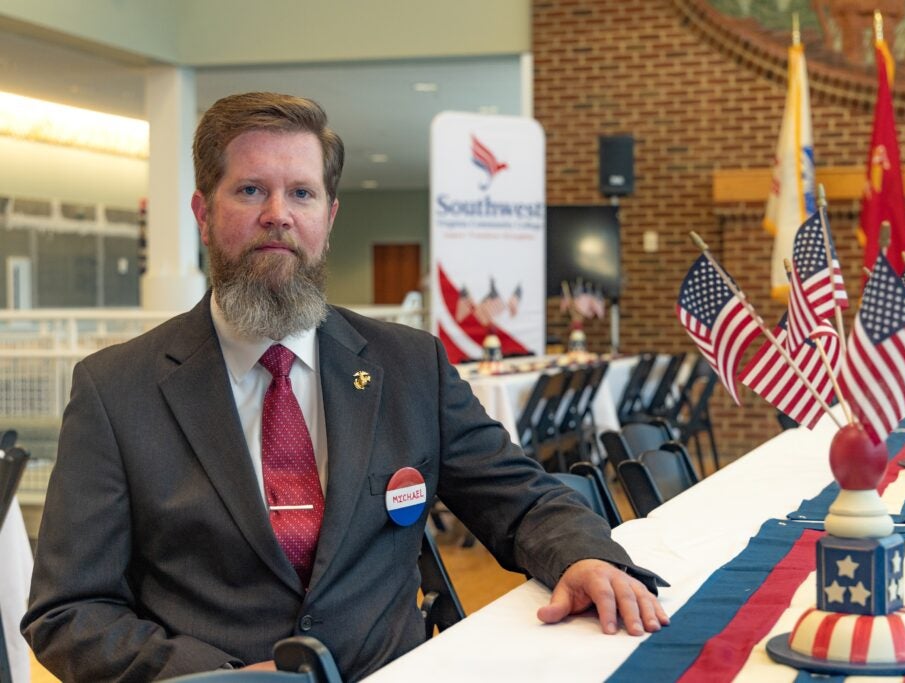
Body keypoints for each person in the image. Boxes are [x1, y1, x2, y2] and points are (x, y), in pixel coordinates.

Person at [22, 92, 668, 681]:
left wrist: (584, 558)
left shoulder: (410, 365)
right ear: (203, 213)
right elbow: (69, 610)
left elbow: (521, 500)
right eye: (250, 190)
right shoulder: (117, 391)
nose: (278, 215)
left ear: (328, 217)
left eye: (301, 193)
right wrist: (215, 678)